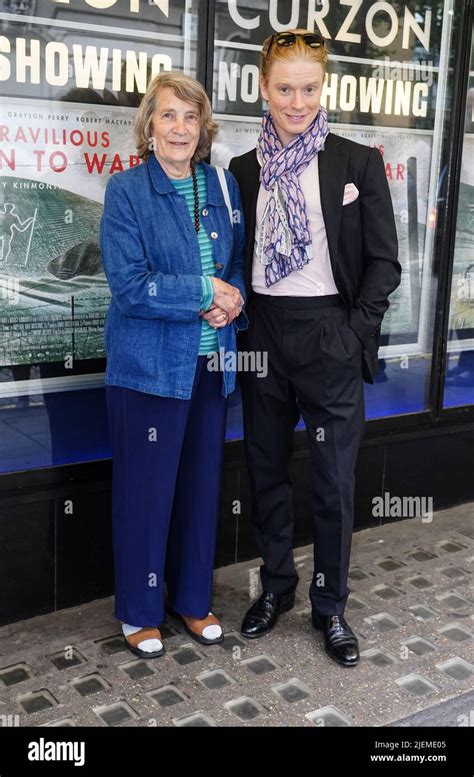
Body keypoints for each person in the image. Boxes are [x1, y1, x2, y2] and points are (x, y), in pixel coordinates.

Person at [229, 29, 401, 667]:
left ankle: (330, 608)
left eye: (308, 88)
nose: (296, 102)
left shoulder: (355, 162)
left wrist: (354, 332)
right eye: (284, 89)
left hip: (329, 333)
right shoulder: (244, 171)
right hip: (264, 334)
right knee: (266, 471)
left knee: (332, 481)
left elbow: (385, 263)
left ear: (322, 88)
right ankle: (275, 588)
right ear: (264, 89)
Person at [100, 71, 246, 658]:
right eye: (168, 116)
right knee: (146, 492)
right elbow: (131, 287)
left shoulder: (223, 184)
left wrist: (230, 295)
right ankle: (139, 612)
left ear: (203, 127)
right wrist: (203, 292)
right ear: (149, 127)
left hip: (211, 367)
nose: (180, 128)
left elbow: (236, 264)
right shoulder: (127, 191)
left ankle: (191, 600)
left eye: (190, 117)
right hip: (148, 371)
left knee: (199, 489)